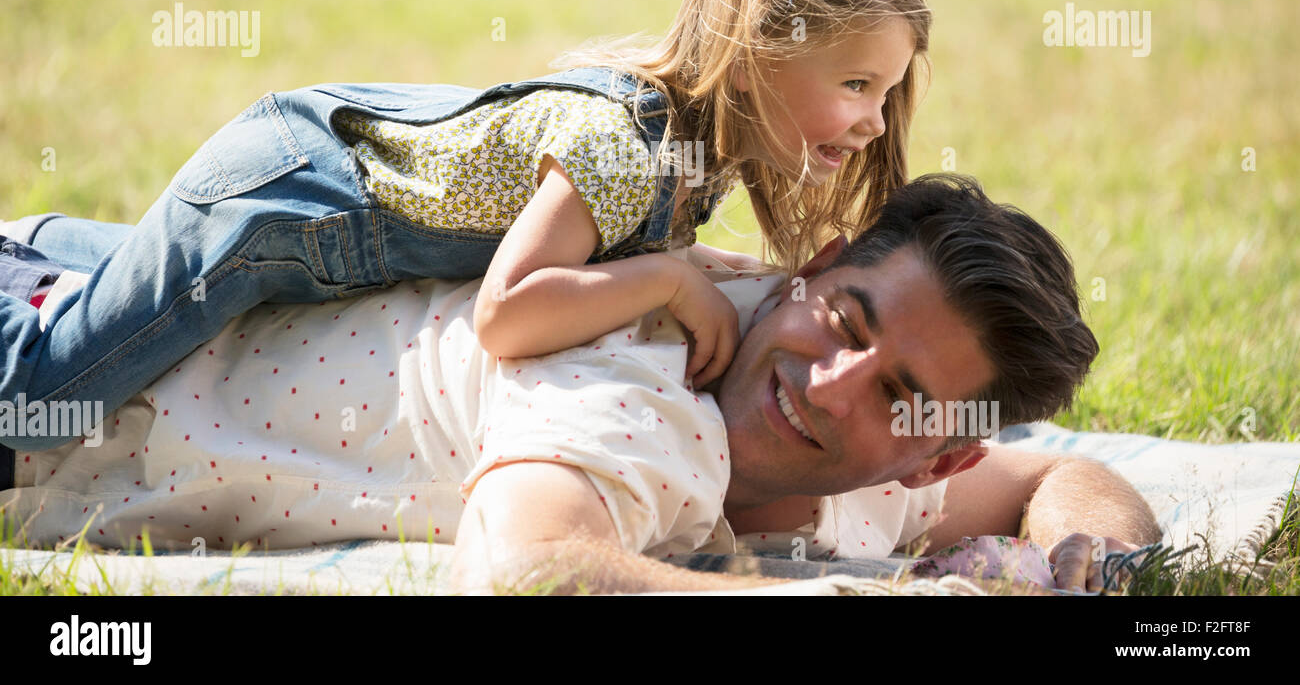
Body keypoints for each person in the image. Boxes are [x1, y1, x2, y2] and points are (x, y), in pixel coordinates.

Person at [0, 0, 932, 450]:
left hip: (314, 210)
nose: (871, 120)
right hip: (273, 212)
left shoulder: (699, 155)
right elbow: (507, 315)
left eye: (886, 94)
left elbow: (636, 263)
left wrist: (716, 278)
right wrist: (666, 281)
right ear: (766, 47)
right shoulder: (620, 148)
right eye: (856, 84)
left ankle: (29, 250)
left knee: (127, 295)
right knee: (39, 405)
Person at [0, 176, 1160, 593]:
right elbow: (528, 571)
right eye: (843, 318)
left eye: (903, 398)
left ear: (941, 452)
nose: (830, 380)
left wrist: (1080, 571)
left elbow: (1062, 471)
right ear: (811, 269)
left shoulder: (867, 473)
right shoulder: (644, 381)